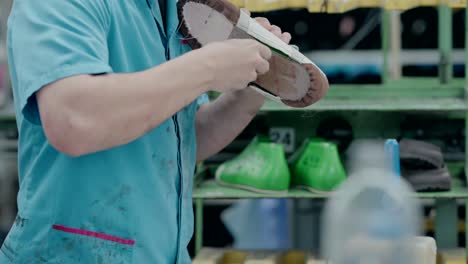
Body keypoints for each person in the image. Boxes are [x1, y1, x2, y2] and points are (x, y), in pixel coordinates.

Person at [1, 0, 326, 263]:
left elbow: (183, 140)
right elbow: (73, 119)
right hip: (69, 254)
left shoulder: (173, 12)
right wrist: (208, 68)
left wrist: (251, 86)